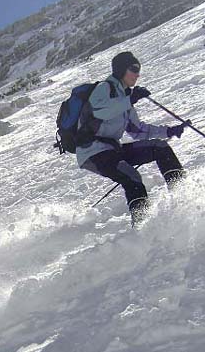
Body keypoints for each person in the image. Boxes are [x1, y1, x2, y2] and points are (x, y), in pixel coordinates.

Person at [76, 51, 188, 225]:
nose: (137, 74)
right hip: (92, 152)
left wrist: (169, 131)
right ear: (121, 70)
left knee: (160, 147)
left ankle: (183, 195)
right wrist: (131, 99)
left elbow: (137, 130)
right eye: (134, 69)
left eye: (138, 69)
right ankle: (142, 227)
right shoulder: (104, 88)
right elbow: (100, 111)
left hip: (113, 150)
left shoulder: (125, 97)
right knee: (131, 176)